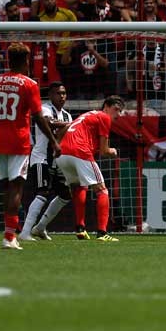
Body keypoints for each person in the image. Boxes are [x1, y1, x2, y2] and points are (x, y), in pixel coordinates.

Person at [0, 42, 59, 250]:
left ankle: (9, 233)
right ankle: (9, 237)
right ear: (25, 61)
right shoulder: (29, 84)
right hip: (19, 142)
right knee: (16, 187)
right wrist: (52, 140)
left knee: (5, 188)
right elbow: (38, 117)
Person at [37, 95, 124, 242]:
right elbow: (104, 151)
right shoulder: (104, 117)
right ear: (106, 107)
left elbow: (64, 129)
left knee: (79, 188)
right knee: (102, 190)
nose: (118, 114)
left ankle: (80, 229)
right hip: (79, 152)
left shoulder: (88, 115)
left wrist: (56, 145)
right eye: (116, 110)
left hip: (62, 154)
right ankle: (103, 233)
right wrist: (113, 151)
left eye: (120, 111)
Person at [20, 82, 73, 241]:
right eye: (58, 93)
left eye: (63, 93)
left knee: (65, 195)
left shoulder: (67, 115)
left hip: (57, 161)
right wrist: (68, 125)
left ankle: (40, 227)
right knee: (42, 192)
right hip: (41, 158)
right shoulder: (45, 108)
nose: (62, 96)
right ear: (50, 95)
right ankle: (25, 232)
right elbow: (48, 122)